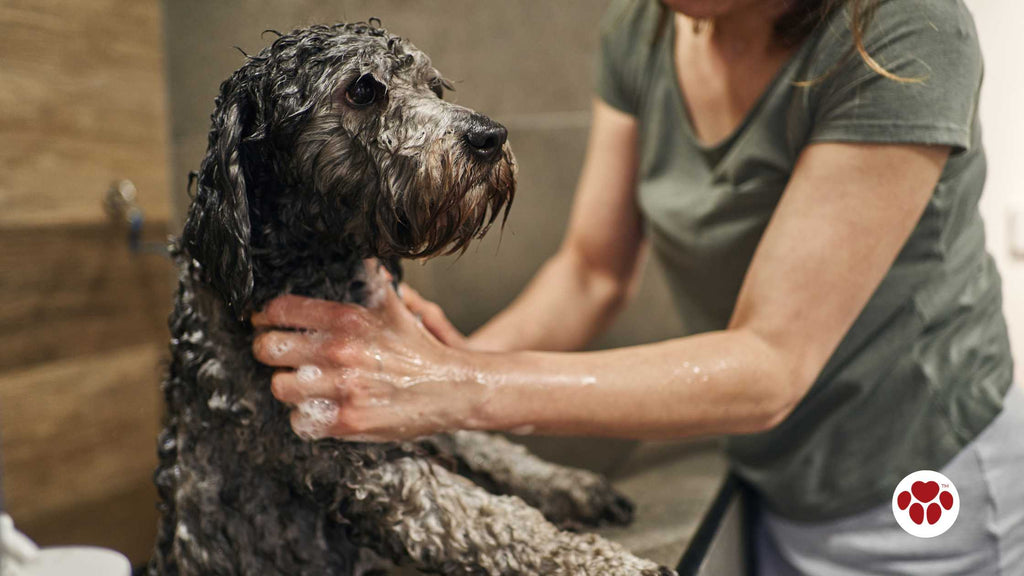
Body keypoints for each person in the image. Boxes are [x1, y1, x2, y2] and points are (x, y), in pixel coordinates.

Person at [251, 0, 1024, 573]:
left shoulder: (903, 29)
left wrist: (456, 384)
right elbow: (592, 270)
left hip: (925, 486)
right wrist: (419, 369)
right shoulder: (647, 28)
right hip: (771, 474)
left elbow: (771, 363)